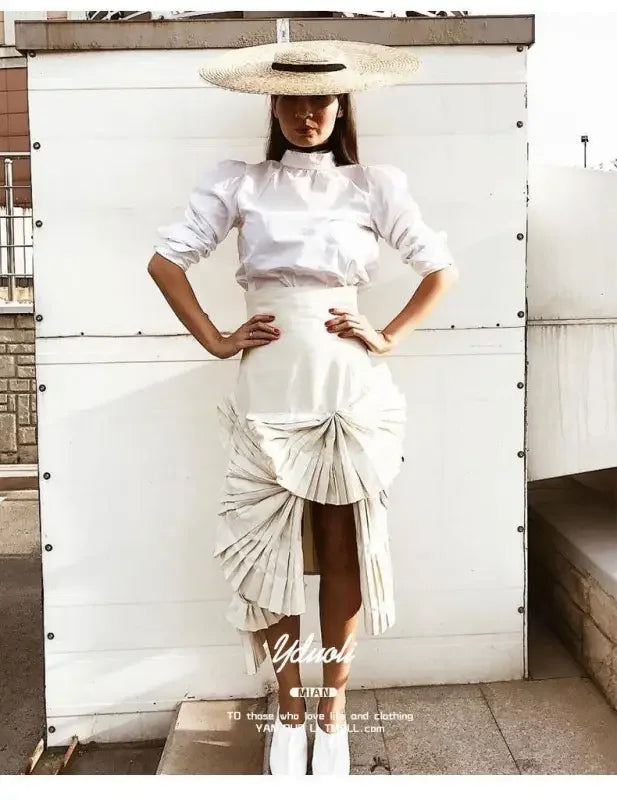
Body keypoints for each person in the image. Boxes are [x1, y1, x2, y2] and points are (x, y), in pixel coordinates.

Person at [147, 40, 459, 776]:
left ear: (342, 104)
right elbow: (166, 260)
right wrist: (217, 338)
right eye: (291, 100)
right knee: (273, 550)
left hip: (345, 387)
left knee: (342, 541)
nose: (307, 113)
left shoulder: (372, 184)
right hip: (269, 383)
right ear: (271, 103)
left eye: (322, 100)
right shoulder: (241, 182)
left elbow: (439, 268)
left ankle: (332, 711)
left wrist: (384, 333)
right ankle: (287, 709)